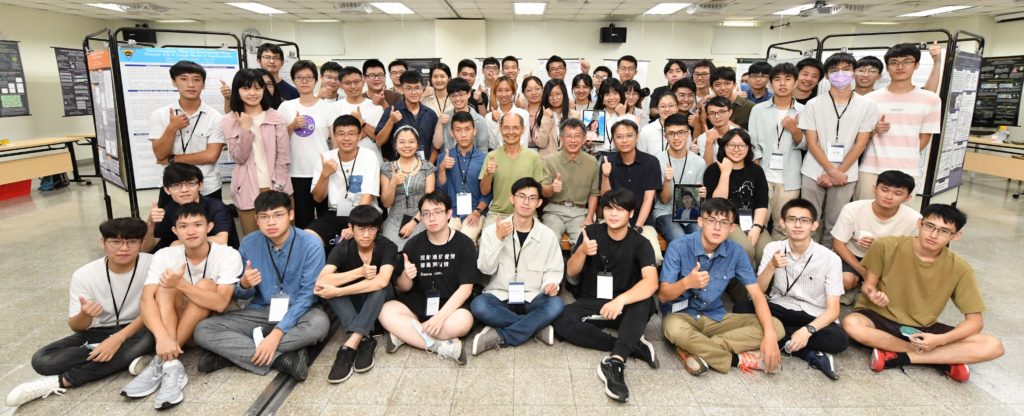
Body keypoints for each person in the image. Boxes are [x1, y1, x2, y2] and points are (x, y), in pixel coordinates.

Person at [841, 204, 1004, 382]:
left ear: (956, 236)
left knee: (993, 346)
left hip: (923, 330)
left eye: (943, 231)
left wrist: (939, 340)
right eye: (929, 226)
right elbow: (868, 286)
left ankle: (900, 356)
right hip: (877, 317)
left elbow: (975, 322)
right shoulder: (886, 245)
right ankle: (942, 359)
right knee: (851, 324)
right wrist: (872, 294)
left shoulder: (961, 269)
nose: (933, 235)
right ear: (919, 223)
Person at [5, 218, 155, 408]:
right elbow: (77, 326)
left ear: (142, 243)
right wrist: (86, 314)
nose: (123, 248)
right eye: (115, 242)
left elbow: (155, 309)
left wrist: (118, 339)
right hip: (100, 331)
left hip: (140, 326)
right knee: (42, 360)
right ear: (103, 243)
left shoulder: (152, 264)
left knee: (147, 339)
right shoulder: (84, 275)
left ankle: (63, 381)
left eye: (132, 242)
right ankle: (127, 358)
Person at [192, 191, 329, 381]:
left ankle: (232, 355)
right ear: (256, 219)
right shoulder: (249, 243)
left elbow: (308, 295)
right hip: (260, 312)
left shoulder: (311, 244)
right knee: (203, 330)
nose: (271, 222)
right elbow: (240, 294)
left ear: (290, 215)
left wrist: (277, 334)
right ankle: (281, 359)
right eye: (264, 217)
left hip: (300, 312)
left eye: (278, 215)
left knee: (319, 325)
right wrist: (244, 284)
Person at [120, 203, 242, 410]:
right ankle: (170, 364)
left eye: (197, 225)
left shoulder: (228, 254)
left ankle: (161, 360)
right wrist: (162, 337)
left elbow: (221, 304)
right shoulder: (164, 255)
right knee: (165, 288)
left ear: (209, 227)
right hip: (175, 325)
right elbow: (146, 300)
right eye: (184, 226)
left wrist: (182, 285)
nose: (191, 231)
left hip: (210, 325)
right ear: (175, 231)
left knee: (205, 285)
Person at [552, 189, 659, 403]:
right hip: (593, 301)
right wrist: (582, 251)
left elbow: (651, 282)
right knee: (560, 320)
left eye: (620, 209)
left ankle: (615, 361)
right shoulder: (591, 232)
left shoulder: (640, 243)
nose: (613, 214)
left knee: (645, 301)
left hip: (624, 306)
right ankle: (629, 345)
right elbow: (571, 272)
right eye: (609, 208)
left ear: (631, 214)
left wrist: (621, 300)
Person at [660, 197, 784, 376]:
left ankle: (696, 348)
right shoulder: (678, 247)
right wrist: (687, 283)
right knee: (673, 329)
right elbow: (663, 295)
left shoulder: (736, 251)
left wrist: (770, 336)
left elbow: (757, 295)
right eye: (711, 221)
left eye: (724, 223)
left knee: (775, 326)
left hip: (716, 317)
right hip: (682, 316)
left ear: (732, 228)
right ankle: (735, 359)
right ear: (700, 221)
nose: (717, 228)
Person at [738, 198, 848, 380]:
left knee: (839, 340)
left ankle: (779, 337)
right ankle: (807, 352)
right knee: (742, 307)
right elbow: (757, 291)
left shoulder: (830, 259)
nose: (797, 225)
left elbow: (834, 310)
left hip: (812, 314)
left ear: (814, 225)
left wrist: (807, 330)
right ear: (782, 223)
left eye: (804, 220)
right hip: (781, 306)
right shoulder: (773, 248)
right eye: (791, 219)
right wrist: (771, 266)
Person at [379, 191, 477, 364]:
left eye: (438, 212)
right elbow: (404, 287)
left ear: (448, 213)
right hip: (420, 300)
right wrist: (406, 275)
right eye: (426, 213)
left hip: (450, 305)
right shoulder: (413, 243)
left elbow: (466, 289)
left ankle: (406, 334)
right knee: (385, 310)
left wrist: (439, 318)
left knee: (463, 322)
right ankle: (442, 346)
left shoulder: (465, 244)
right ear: (421, 217)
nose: (432, 218)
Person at [471, 178, 565, 355]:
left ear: (539, 203)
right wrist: (498, 239)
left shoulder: (548, 235)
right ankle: (535, 327)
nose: (526, 202)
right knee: (479, 305)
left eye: (532, 198)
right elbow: (485, 269)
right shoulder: (492, 231)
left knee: (556, 304)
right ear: (512, 198)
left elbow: (553, 269)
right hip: (500, 295)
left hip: (532, 296)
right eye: (521, 196)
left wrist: (550, 283)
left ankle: (500, 335)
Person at [799, 52, 879, 246]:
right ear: (827, 76)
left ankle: (829, 259)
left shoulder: (867, 105)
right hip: (813, 170)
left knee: (835, 223)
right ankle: (806, 257)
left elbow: (861, 143)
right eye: (834, 70)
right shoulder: (813, 104)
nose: (840, 74)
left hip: (846, 173)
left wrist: (838, 172)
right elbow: (812, 142)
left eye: (846, 69)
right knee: (808, 220)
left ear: (854, 72)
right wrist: (832, 171)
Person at [315, 205, 398, 383]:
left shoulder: (387, 246)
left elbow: (382, 281)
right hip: (356, 306)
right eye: (361, 229)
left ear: (378, 229)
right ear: (351, 228)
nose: (366, 234)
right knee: (328, 290)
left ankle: (351, 344)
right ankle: (365, 339)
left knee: (378, 286)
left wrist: (338, 290)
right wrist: (358, 272)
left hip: (381, 305)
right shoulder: (342, 248)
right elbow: (321, 282)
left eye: (372, 229)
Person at [859, 43, 943, 202]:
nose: (900, 66)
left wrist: (904, 157)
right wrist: (874, 130)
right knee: (864, 213)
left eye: (907, 61)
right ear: (887, 67)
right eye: (894, 62)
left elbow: (925, 138)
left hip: (907, 172)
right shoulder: (869, 99)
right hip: (871, 169)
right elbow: (859, 137)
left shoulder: (930, 99)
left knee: (901, 216)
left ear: (916, 65)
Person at [221, 68, 292, 237]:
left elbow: (283, 157)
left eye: (257, 88)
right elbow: (239, 158)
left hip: (278, 185)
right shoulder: (229, 120)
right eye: (246, 88)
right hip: (247, 189)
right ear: (237, 91)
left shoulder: (275, 116)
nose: (252, 93)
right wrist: (245, 129)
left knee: (284, 237)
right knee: (253, 238)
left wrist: (278, 186)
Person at [831, 170, 921, 298]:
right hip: (855, 257)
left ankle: (865, 288)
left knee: (900, 290)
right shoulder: (852, 209)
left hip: (889, 261)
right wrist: (864, 272)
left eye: (898, 193)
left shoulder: (915, 219)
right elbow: (838, 244)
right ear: (874, 189)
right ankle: (858, 283)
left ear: (908, 198)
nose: (889, 197)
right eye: (884, 190)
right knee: (845, 280)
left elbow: (913, 252)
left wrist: (881, 247)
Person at [149, 60, 225, 201]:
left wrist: (171, 159)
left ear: (203, 84)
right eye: (184, 79)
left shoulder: (215, 117)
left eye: (196, 80)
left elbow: (211, 156)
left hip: (207, 188)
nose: (190, 85)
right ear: (174, 82)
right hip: (172, 187)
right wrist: (172, 128)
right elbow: (160, 154)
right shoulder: (160, 114)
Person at [748, 62, 805, 240]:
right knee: (758, 223)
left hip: (790, 177)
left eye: (788, 79)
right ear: (770, 83)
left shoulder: (804, 110)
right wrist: (757, 163)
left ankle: (779, 257)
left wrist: (794, 129)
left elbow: (807, 145)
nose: (782, 83)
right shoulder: (758, 109)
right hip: (763, 173)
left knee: (783, 225)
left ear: (796, 83)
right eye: (777, 79)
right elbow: (753, 141)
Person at [307, 115, 382, 248]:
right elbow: (318, 198)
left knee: (353, 242)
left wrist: (355, 226)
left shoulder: (369, 156)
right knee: (308, 238)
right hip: (335, 212)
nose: (346, 138)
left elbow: (367, 196)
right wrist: (325, 174)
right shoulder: (326, 158)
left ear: (359, 136)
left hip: (364, 212)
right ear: (334, 136)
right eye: (341, 134)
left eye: (351, 134)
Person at [278, 60, 336, 229]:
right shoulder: (286, 107)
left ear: (316, 80)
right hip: (296, 172)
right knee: (303, 220)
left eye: (308, 77)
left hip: (323, 171)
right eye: (299, 77)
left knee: (326, 219)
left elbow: (335, 140)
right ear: (294, 80)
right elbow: (277, 140)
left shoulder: (327, 108)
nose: (304, 81)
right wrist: (292, 126)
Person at [702, 128, 770, 268]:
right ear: (724, 147)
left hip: (753, 222)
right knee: (745, 250)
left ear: (748, 147)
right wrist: (725, 173)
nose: (736, 149)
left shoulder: (756, 171)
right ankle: (742, 282)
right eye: (731, 145)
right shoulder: (713, 170)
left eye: (741, 145)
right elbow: (717, 204)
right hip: (726, 222)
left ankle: (761, 282)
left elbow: (762, 202)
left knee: (768, 251)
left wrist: (757, 227)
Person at [600, 119, 664, 265]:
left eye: (629, 135)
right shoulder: (607, 161)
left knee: (654, 257)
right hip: (614, 219)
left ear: (637, 137)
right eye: (619, 136)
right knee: (604, 255)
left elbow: (648, 199)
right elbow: (605, 198)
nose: (624, 140)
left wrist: (637, 227)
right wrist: (605, 176)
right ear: (613, 139)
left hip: (643, 222)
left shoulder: (651, 162)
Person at [143, 163, 234, 252]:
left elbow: (222, 240)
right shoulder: (167, 210)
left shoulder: (215, 206)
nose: (184, 190)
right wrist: (150, 223)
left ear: (200, 185)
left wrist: (177, 244)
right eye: (176, 185)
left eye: (191, 183)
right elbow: (146, 249)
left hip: (216, 255)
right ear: (167, 190)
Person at [541, 118, 600, 247]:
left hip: (580, 213)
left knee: (584, 242)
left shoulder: (592, 162)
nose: (573, 140)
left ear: (584, 139)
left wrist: (589, 217)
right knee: (549, 240)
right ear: (562, 138)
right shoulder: (551, 160)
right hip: (554, 211)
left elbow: (594, 193)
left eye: (577, 136)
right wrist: (552, 188)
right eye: (568, 136)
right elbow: (544, 192)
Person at [480, 112, 545, 228]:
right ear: (500, 129)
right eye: (506, 128)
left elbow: (538, 192)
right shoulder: (492, 156)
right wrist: (488, 174)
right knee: (487, 238)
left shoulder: (533, 157)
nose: (510, 132)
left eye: (515, 128)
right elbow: (484, 191)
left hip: (527, 213)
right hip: (498, 213)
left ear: (523, 129)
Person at [437, 111, 491, 242]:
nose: (463, 134)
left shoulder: (484, 159)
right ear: (452, 133)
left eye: (467, 129)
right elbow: (441, 191)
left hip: (475, 212)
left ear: (474, 131)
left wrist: (477, 212)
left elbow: (488, 193)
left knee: (465, 240)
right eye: (458, 130)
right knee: (446, 240)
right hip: (452, 213)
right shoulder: (444, 157)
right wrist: (442, 169)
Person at [380, 127, 437, 250]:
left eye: (411, 142)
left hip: (422, 217)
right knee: (389, 250)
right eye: (402, 142)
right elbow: (386, 203)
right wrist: (393, 183)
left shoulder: (427, 167)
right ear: (395, 145)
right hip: (395, 218)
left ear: (417, 144)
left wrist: (414, 222)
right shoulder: (387, 168)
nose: (407, 146)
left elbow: (429, 201)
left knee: (418, 249)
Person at [654, 114, 707, 243]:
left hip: (690, 214)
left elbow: (697, 200)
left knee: (700, 235)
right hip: (665, 212)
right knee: (679, 237)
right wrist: (667, 180)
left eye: (681, 132)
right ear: (665, 136)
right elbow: (664, 200)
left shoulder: (699, 162)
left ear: (688, 134)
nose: (676, 138)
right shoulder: (657, 161)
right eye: (671, 133)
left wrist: (702, 195)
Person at [375, 70, 440, 163]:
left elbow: (436, 146)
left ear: (422, 89)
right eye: (409, 88)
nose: (414, 92)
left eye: (417, 88)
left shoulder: (430, 114)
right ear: (402, 89)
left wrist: (429, 166)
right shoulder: (392, 111)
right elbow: (379, 141)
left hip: (425, 166)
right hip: (399, 168)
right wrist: (391, 121)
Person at [337, 66, 386, 164]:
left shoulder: (376, 107)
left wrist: (361, 122)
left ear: (363, 81)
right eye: (347, 83)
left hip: (373, 162)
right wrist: (364, 131)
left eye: (356, 82)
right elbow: (336, 138)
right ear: (341, 85)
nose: (353, 86)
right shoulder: (334, 107)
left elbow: (379, 138)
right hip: (344, 163)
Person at [433, 78, 493, 154]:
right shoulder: (445, 117)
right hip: (447, 159)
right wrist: (440, 123)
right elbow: (437, 146)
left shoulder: (480, 120)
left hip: (472, 160)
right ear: (449, 97)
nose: (457, 99)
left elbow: (483, 149)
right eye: (453, 95)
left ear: (469, 94)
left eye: (461, 94)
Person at [485, 76, 530, 149]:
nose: (503, 94)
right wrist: (494, 123)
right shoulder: (489, 117)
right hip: (498, 155)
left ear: (513, 92)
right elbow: (493, 145)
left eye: (507, 90)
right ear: (495, 93)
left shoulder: (523, 114)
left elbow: (523, 143)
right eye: (500, 90)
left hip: (520, 155)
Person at [695, 96, 741, 166]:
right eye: (712, 113)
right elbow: (706, 168)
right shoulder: (702, 138)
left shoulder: (741, 135)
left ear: (730, 112)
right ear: (708, 116)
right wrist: (709, 142)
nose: (717, 116)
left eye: (721, 112)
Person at [533, 79, 571, 159]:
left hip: (567, 161)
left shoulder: (574, 115)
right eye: (550, 95)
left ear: (564, 94)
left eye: (558, 94)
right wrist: (546, 119)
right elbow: (541, 143)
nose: (554, 98)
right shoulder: (541, 115)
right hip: (546, 161)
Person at [521, 76, 546, 151]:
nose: (534, 93)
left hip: (544, 153)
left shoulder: (548, 111)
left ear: (543, 90)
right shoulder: (520, 112)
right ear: (524, 93)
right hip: (523, 152)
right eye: (529, 90)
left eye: (537, 89)